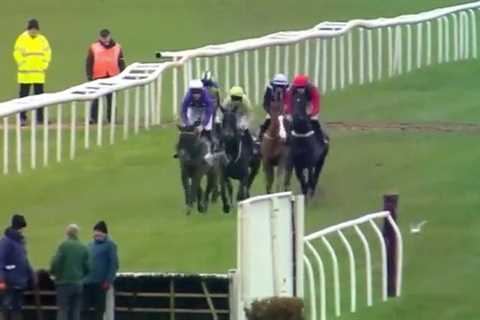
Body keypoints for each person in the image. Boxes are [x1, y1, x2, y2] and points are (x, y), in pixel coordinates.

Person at [13, 19, 52, 126]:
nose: (34, 32)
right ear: (28, 29)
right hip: (25, 74)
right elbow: (17, 53)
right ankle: (22, 118)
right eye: (32, 30)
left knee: (40, 97)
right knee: (24, 97)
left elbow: (47, 52)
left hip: (38, 74)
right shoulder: (22, 39)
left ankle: (40, 118)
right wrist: (22, 64)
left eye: (35, 30)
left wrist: (44, 65)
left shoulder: (42, 39)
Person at [86, 29, 126, 124]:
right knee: (96, 98)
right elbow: (89, 62)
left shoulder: (117, 47)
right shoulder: (94, 47)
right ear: (100, 37)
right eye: (103, 38)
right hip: (98, 75)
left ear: (109, 36)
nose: (105, 40)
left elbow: (121, 62)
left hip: (113, 76)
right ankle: (93, 118)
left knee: (111, 99)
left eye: (106, 37)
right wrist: (89, 75)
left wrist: (123, 74)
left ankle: (111, 119)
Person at [50, 224, 90, 320]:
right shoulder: (83, 247)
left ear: (67, 233)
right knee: (75, 311)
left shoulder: (63, 245)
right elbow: (87, 267)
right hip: (78, 284)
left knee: (63, 310)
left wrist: (54, 274)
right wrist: (80, 277)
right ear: (77, 233)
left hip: (64, 283)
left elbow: (56, 263)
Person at [0, 214, 35, 320]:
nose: (22, 230)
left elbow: (24, 260)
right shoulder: (6, 242)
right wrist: (1, 280)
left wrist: (31, 274)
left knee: (17, 309)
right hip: (10, 282)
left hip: (20, 281)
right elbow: (1, 261)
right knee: (7, 307)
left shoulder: (19, 241)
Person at [83, 221, 118, 320]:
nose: (96, 234)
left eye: (99, 232)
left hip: (101, 284)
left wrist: (108, 281)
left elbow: (114, 264)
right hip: (88, 283)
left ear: (104, 233)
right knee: (84, 310)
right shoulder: (89, 245)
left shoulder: (110, 245)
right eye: (95, 232)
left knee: (100, 311)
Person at [285, 74, 324, 142]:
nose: (300, 89)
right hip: (296, 103)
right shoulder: (291, 89)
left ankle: (321, 137)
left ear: (306, 85)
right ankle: (287, 137)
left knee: (314, 120)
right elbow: (289, 101)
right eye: (298, 87)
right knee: (289, 120)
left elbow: (316, 100)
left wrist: (313, 113)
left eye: (302, 87)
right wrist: (289, 113)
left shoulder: (312, 88)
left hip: (309, 103)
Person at [217, 86, 255, 152]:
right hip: (231, 115)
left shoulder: (246, 101)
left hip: (243, 115)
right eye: (234, 98)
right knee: (224, 130)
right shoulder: (227, 100)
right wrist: (221, 121)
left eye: (238, 98)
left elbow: (250, 114)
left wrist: (246, 124)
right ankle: (219, 146)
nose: (236, 101)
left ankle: (252, 147)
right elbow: (222, 112)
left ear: (241, 97)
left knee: (244, 129)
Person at [180, 79, 215, 145]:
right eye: (193, 92)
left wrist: (202, 125)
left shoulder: (207, 98)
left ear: (201, 90)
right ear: (190, 91)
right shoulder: (187, 97)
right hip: (193, 109)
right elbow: (183, 111)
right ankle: (182, 146)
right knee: (186, 128)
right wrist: (187, 123)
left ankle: (211, 145)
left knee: (207, 128)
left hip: (205, 110)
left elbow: (208, 113)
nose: (196, 94)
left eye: (198, 92)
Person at [258, 73, 289, 142]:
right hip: (272, 111)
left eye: (281, 86)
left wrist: (286, 113)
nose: (279, 88)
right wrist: (272, 113)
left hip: (285, 112)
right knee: (266, 122)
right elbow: (265, 104)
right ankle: (260, 139)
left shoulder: (289, 91)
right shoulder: (269, 90)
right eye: (277, 85)